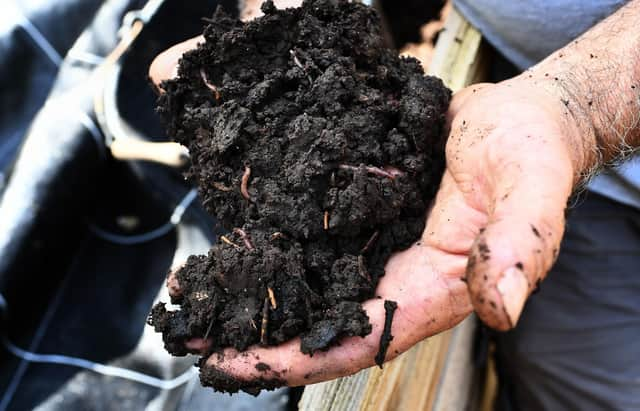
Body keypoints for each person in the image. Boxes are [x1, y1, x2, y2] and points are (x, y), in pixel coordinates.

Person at [149, 1, 640, 409]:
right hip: (544, 91)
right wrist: (290, 24)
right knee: (561, 370)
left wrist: (579, 106)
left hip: (582, 95)